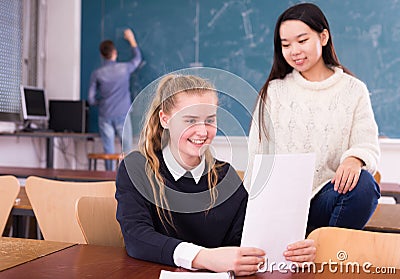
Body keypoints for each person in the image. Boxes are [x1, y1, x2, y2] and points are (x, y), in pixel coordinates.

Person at [116, 74, 315, 276]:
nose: (202, 131)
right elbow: (136, 236)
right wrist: (204, 258)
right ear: (165, 119)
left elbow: (247, 237)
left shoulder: (225, 176)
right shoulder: (137, 168)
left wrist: (291, 250)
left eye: (210, 120)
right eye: (190, 120)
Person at [246, 3, 381, 235]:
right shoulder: (274, 91)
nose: (294, 51)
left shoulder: (353, 89)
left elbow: (366, 143)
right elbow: (256, 158)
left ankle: (321, 247)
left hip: (325, 199)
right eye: (285, 44)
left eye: (302, 40)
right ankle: (305, 243)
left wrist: (354, 160)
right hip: (281, 205)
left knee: (366, 185)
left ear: (324, 37)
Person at [88, 28, 142, 170]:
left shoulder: (97, 73)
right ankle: (126, 178)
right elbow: (137, 59)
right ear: (115, 53)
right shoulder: (124, 68)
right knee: (127, 150)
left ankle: (109, 180)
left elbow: (91, 99)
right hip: (123, 113)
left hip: (105, 115)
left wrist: (102, 102)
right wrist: (131, 40)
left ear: (102, 55)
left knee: (108, 150)